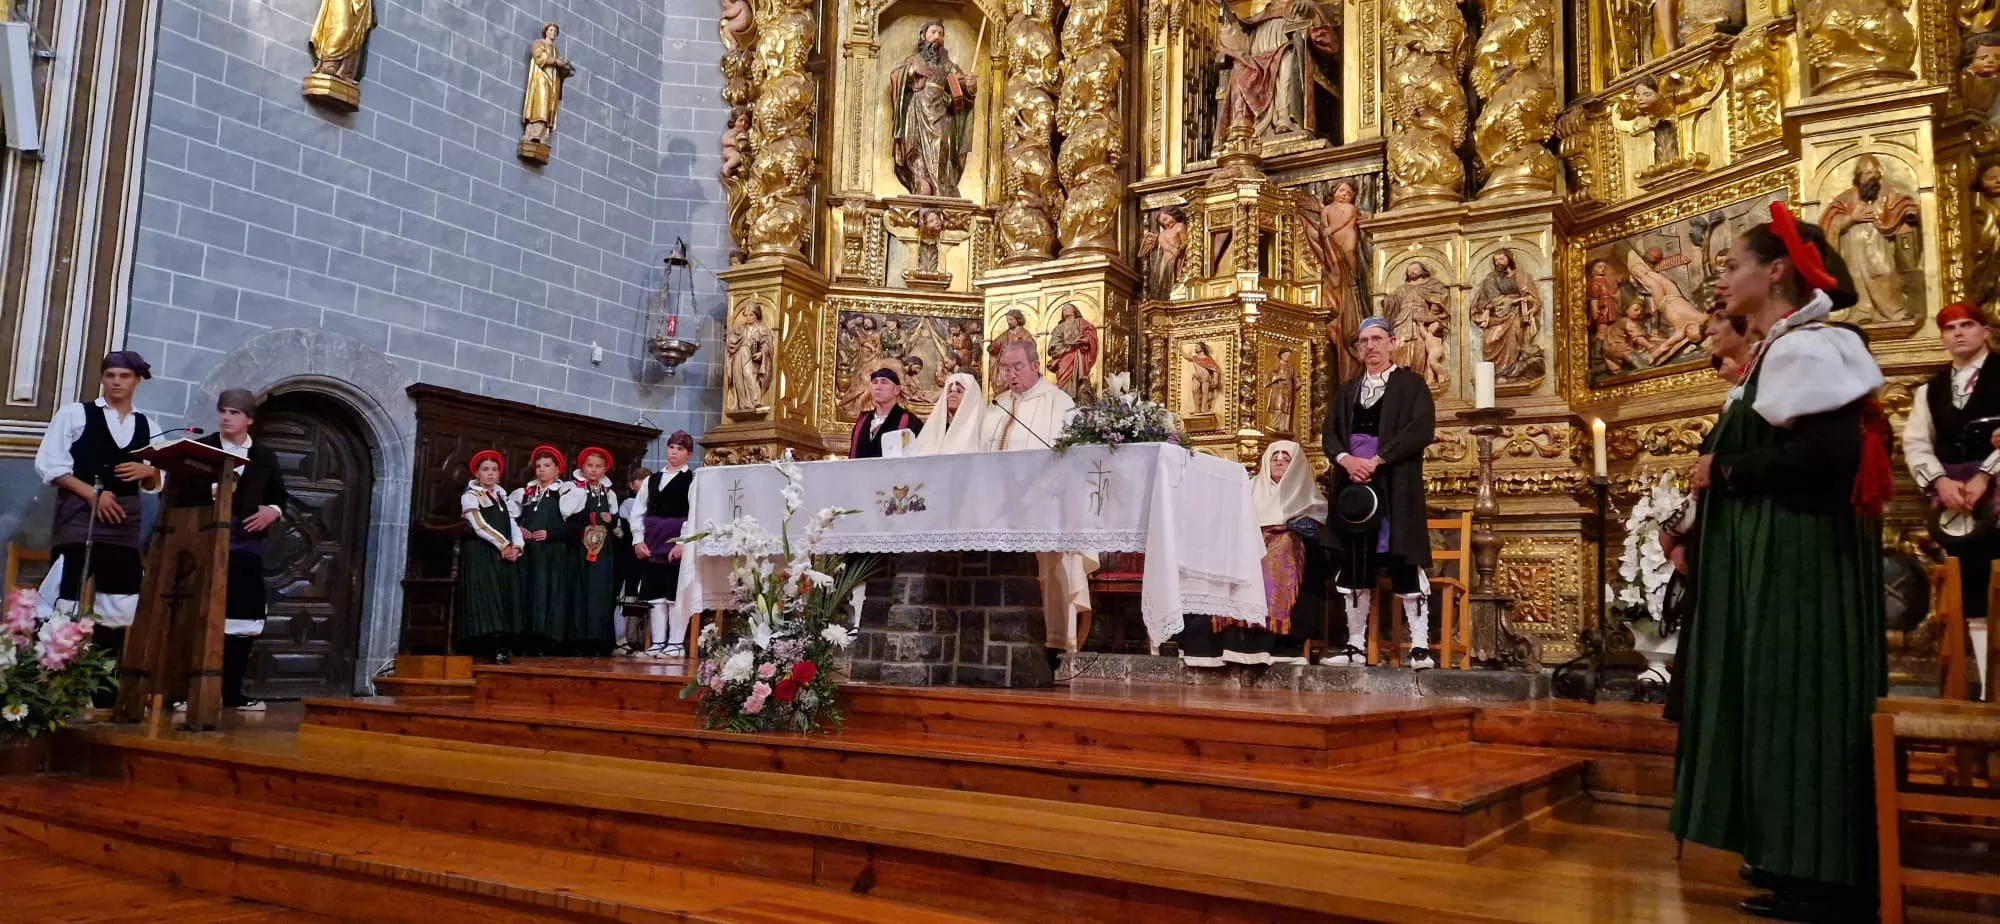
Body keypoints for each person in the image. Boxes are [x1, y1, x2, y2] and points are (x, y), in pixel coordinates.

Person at [1674, 201, 1890, 922]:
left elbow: (1824, 461)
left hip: (1803, 564)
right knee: (1777, 703)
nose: (1722, 280)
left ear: (1776, 272)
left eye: (1733, 266)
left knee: (1803, 702)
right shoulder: (1779, 350)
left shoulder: (1810, 347)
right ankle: (1796, 864)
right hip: (1780, 558)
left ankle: (1829, 876)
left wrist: (1726, 472)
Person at [35, 351, 163, 670]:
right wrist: (93, 494)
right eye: (110, 375)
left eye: (124, 376)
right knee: (65, 600)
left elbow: (155, 484)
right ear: (103, 378)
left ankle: (101, 686)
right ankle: (52, 682)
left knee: (119, 604)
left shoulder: (149, 425)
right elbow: (50, 466)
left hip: (124, 525)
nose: (116, 382)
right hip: (79, 518)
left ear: (137, 381)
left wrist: (149, 472)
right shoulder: (76, 414)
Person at [1321, 317, 1437, 666]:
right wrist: (1347, 460)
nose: (1369, 346)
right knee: (1356, 563)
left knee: (1402, 558)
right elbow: (1330, 434)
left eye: (1376, 339)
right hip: (1352, 488)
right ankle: (1355, 646)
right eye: (1362, 342)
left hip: (1394, 485)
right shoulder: (1348, 391)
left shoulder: (1412, 385)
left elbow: (1421, 430)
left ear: (1392, 342)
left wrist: (1378, 459)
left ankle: (1419, 646)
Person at [168, 389, 290, 710]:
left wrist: (271, 511)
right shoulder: (200, 449)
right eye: (223, 411)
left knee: (240, 621)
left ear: (249, 419)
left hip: (244, 548)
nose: (226, 417)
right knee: (198, 617)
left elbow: (280, 496)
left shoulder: (264, 456)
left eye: (235, 412)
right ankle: (187, 691)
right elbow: (177, 495)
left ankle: (233, 693)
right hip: (202, 544)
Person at [983, 340, 1096, 674]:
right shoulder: (996, 407)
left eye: (1017, 367)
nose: (1011, 374)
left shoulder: (1058, 403)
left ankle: (1046, 647)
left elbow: (1072, 457)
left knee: (1046, 577)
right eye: (1006, 368)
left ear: (1035, 366)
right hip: (996, 511)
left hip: (1043, 510)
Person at [1181, 440, 1327, 667]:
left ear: (1296, 464)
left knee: (1282, 547)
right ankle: (1221, 640)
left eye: (1285, 457)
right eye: (1274, 456)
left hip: (1284, 548)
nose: (1279, 460)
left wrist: (1286, 528)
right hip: (1247, 544)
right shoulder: (1249, 488)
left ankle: (1263, 639)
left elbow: (1315, 530)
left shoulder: (1310, 497)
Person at [1903, 302, 2000, 625]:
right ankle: (1985, 673)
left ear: (1985, 332)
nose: (1958, 333)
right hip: (1957, 504)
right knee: (1972, 594)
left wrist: (1986, 475)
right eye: (1950, 328)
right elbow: (1916, 441)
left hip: (1995, 492)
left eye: (1968, 325)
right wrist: (1940, 482)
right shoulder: (1930, 389)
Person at [629, 432, 695, 658]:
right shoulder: (651, 480)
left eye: (680, 449)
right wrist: (638, 540)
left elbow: (694, 514)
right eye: (671, 447)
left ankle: (675, 643)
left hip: (676, 543)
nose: (674, 452)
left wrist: (683, 542)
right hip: (653, 542)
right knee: (655, 593)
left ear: (689, 454)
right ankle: (658, 642)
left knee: (674, 594)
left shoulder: (692, 481)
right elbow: (638, 511)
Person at [511, 446, 581, 656]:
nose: (541, 470)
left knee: (550, 595)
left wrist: (550, 533)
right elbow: (512, 518)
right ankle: (527, 639)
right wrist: (520, 528)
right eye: (539, 466)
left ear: (557, 470)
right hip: (530, 554)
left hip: (553, 554)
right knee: (529, 594)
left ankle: (549, 641)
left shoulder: (565, 493)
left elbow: (576, 529)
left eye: (547, 466)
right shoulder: (527, 493)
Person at [456, 451, 524, 661]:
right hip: (481, 553)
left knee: (504, 597)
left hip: (502, 555)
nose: (490, 474)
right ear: (476, 472)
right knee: (486, 598)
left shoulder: (501, 496)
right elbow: (479, 525)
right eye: (485, 470)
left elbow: (512, 523)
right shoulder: (471, 496)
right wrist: (503, 544)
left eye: (494, 470)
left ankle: (504, 644)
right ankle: (487, 646)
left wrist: (517, 546)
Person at [567, 447, 621, 657]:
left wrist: (613, 520)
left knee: (601, 593)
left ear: (605, 469)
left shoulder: (609, 493)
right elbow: (566, 515)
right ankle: (578, 640)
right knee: (580, 592)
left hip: (603, 550)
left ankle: (600, 642)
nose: (594, 470)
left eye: (598, 466)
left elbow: (618, 526)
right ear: (582, 466)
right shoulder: (574, 488)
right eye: (590, 466)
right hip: (580, 548)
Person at [612, 465, 651, 656]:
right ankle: (621, 638)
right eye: (640, 480)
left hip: (645, 557)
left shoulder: (651, 505)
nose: (644, 485)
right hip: (629, 555)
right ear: (632, 485)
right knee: (625, 598)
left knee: (638, 598)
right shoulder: (629, 503)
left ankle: (637, 638)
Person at [849, 368, 923, 458]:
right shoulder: (862, 420)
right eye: (875, 382)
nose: (878, 387)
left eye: (884, 382)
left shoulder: (910, 421)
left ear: (897, 390)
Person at [911, 372, 989, 456]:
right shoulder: (938, 427)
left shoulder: (982, 427)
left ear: (971, 397)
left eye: (959, 391)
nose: (952, 395)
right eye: (950, 391)